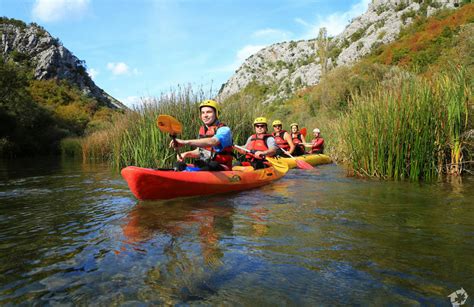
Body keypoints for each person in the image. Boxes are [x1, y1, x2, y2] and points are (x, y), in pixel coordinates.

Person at [170, 99, 234, 171]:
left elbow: (213, 141)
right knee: (178, 165)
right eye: (203, 113)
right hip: (206, 165)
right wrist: (186, 154)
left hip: (222, 167)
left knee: (213, 165)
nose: (205, 115)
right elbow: (201, 151)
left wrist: (185, 142)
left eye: (209, 112)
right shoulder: (202, 130)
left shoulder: (224, 130)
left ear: (216, 114)